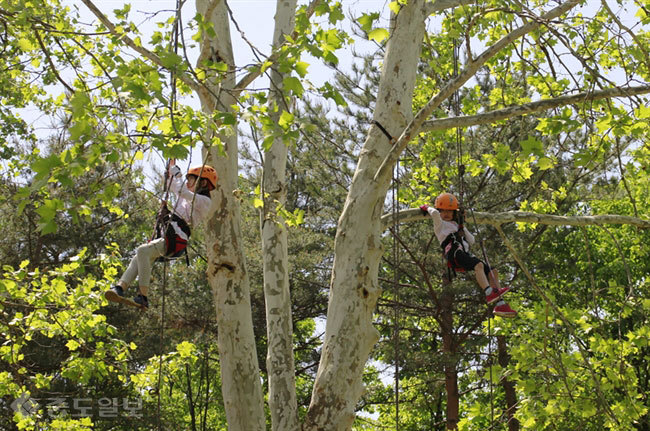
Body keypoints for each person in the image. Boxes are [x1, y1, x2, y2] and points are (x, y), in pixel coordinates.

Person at [108, 161, 216, 308]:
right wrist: (170, 170)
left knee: (142, 251)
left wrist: (178, 175)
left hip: (177, 238)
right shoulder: (187, 196)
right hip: (169, 234)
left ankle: (143, 296)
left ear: (202, 183)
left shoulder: (205, 201)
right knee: (139, 256)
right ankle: (120, 287)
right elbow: (172, 185)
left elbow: (182, 191)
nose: (188, 181)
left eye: (191, 179)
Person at [420, 192, 517, 317]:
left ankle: (500, 304)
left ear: (454, 213)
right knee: (478, 266)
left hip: (463, 253)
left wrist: (462, 226)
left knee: (493, 271)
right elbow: (434, 214)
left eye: (450, 211)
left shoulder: (456, 225)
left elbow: (471, 240)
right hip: (454, 254)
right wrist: (427, 207)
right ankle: (488, 292)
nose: (446, 214)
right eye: (443, 211)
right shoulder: (440, 225)